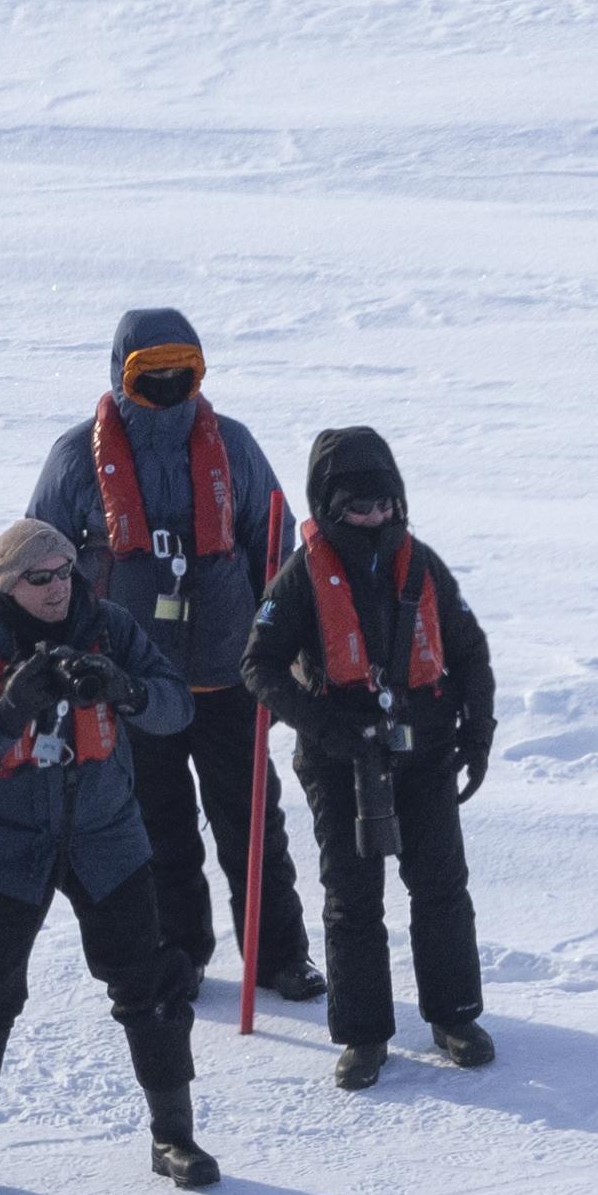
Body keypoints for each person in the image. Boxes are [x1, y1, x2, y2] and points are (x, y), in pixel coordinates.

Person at [25, 307, 317, 1013]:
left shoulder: (234, 446)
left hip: (228, 673)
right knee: (159, 827)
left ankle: (280, 955)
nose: (164, 384)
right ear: (121, 374)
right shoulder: (75, 457)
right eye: (148, 373)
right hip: (131, 682)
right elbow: (40, 556)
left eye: (178, 371)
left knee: (252, 822)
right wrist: (55, 663)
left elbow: (275, 551)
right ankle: (179, 953)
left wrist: (281, 653)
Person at [0, 517, 212, 1195]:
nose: (56, 588)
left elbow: (175, 707)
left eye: (64, 573)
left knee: (148, 984)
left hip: (106, 835)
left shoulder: (110, 627)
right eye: (38, 578)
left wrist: (126, 689)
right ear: (7, 584)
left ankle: (174, 1136)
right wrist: (7, 712)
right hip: (9, 840)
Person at [247, 426, 498, 1088]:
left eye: (384, 504)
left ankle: (455, 1016)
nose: (374, 517)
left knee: (441, 885)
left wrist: (477, 733)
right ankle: (363, 1035)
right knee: (352, 897)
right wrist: (326, 727)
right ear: (330, 507)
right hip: (341, 759)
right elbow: (259, 665)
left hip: (425, 750)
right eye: (359, 507)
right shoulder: (299, 578)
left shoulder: (422, 565)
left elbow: (469, 651)